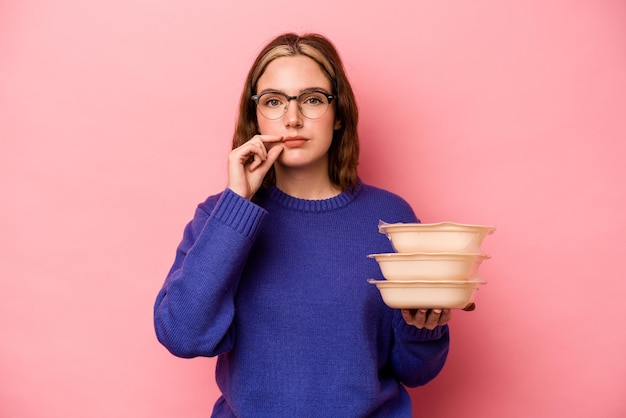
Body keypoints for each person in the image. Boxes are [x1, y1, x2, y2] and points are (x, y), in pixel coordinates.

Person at [154, 32, 451, 417]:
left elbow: (417, 371)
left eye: (311, 100)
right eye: (274, 102)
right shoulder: (219, 216)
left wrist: (423, 327)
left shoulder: (391, 217)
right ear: (255, 115)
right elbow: (183, 334)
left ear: (339, 112)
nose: (292, 119)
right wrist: (237, 203)